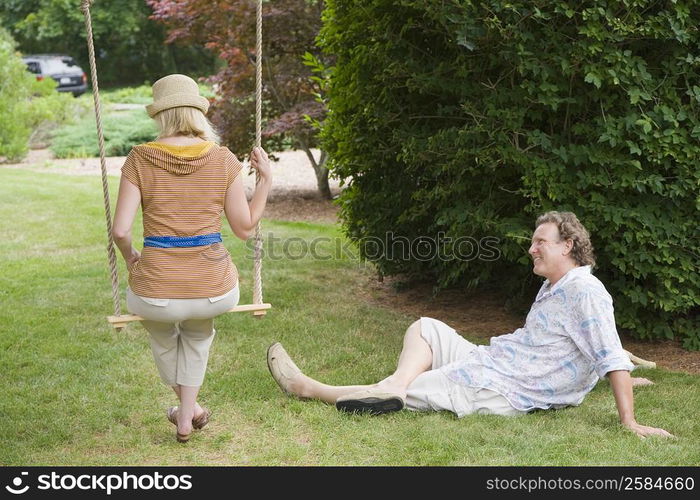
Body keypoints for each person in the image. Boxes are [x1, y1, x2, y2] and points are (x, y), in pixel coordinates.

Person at [267, 211, 673, 438]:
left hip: (507, 388)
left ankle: (308, 388)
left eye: (540, 242)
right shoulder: (557, 285)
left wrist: (630, 421)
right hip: (494, 359)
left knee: (417, 391)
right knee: (426, 327)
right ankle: (395, 383)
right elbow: (583, 350)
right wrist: (608, 376)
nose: (531, 248)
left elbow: (607, 353)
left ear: (568, 245)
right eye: (532, 241)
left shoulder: (585, 291)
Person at [112, 74, 272, 442]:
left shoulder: (139, 159)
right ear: (198, 113)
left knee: (164, 337)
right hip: (213, 289)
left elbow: (121, 231)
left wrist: (131, 256)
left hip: (156, 292)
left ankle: (186, 413)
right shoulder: (222, 159)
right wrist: (265, 180)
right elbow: (245, 228)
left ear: (160, 115)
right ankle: (189, 414)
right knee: (198, 336)